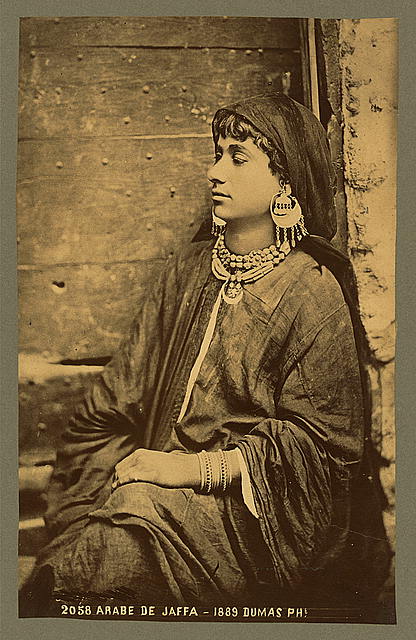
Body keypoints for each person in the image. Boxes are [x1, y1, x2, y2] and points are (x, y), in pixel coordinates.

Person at [20, 93, 391, 619]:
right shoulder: (189, 270)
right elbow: (117, 396)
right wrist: (135, 465)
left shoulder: (312, 290)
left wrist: (187, 470)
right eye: (217, 154)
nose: (215, 172)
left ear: (284, 182)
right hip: (149, 484)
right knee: (108, 528)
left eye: (238, 158)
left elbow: (322, 450)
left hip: (249, 513)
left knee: (123, 531)